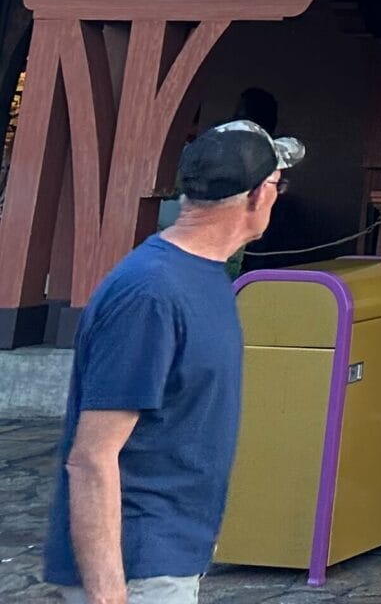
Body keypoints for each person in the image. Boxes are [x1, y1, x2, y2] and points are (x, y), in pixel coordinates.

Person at [46, 120, 298, 604]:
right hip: (137, 569)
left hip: (171, 554)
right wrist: (108, 595)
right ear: (256, 197)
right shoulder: (152, 293)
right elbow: (92, 456)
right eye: (277, 184)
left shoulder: (201, 273)